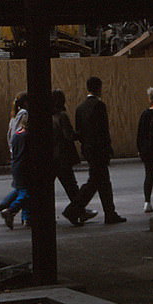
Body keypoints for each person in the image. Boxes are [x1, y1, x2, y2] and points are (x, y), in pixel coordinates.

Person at [73, 76, 127, 224]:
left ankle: (109, 212)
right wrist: (108, 148)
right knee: (99, 182)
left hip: (89, 149)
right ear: (99, 88)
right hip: (99, 150)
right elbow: (103, 130)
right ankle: (75, 209)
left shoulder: (80, 108)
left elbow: (79, 131)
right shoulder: (99, 106)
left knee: (100, 182)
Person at [53, 89, 97, 226]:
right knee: (71, 186)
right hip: (63, 157)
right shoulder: (62, 116)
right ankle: (77, 211)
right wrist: (82, 133)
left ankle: (79, 211)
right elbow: (69, 136)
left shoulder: (47, 116)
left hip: (52, 157)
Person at [0, 92, 28, 217]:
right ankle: (15, 211)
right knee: (26, 189)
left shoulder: (14, 117)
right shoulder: (24, 115)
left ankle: (5, 205)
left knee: (21, 187)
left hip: (15, 154)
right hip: (21, 155)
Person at [0, 110, 31, 229]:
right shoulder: (28, 136)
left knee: (20, 189)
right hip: (25, 167)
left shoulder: (17, 135)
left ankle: (6, 206)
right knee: (26, 192)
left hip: (16, 165)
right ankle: (11, 210)